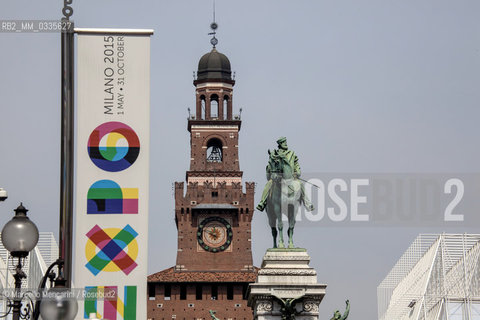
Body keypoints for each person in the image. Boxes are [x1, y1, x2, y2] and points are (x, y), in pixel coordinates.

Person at [256, 137, 314, 212]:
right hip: (277, 177)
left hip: (290, 177)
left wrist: (297, 173)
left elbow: (296, 165)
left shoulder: (292, 154)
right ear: (280, 144)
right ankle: (262, 202)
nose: (285, 144)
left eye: (285, 142)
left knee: (300, 184)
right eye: (283, 142)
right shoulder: (274, 154)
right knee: (269, 184)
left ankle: (307, 203)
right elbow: (271, 166)